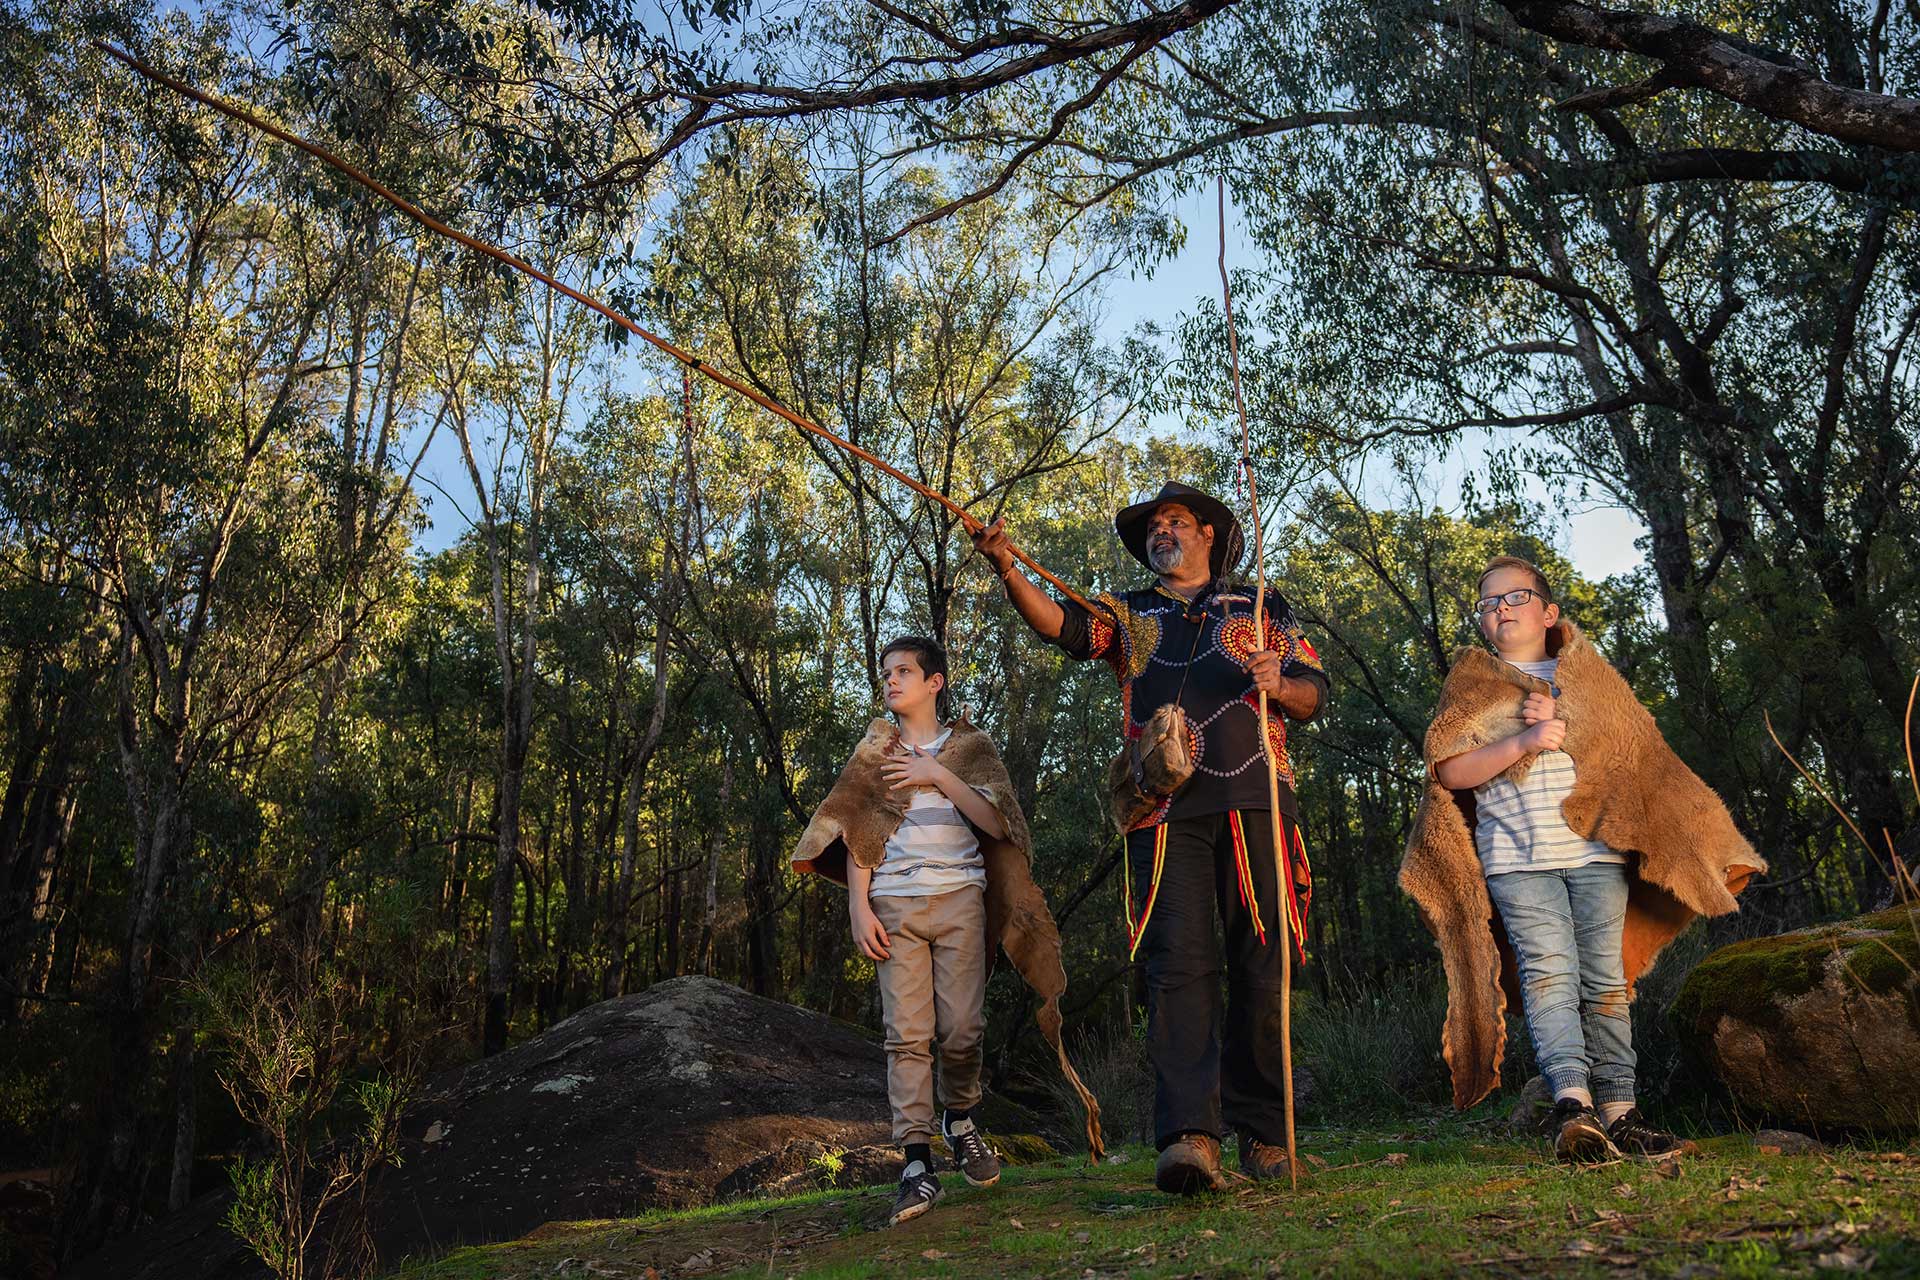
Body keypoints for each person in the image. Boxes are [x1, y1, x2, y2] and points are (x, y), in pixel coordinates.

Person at [972, 480, 1328, 1194]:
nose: (1162, 531)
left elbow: (1314, 691)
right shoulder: (1128, 613)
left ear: (1207, 535)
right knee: (1177, 969)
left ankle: (1267, 1138)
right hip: (1163, 814)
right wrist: (1008, 565)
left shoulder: (1262, 606)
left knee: (1266, 964)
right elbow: (1061, 628)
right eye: (1154, 526)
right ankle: (1191, 1137)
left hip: (1258, 800)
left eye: (1176, 521)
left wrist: (1279, 684)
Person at [1402, 556, 1764, 1162]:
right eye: (1487, 604)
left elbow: (1641, 760)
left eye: (1514, 598)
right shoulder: (1472, 683)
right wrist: (1521, 739)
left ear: (1549, 613)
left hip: (1595, 856)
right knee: (1549, 977)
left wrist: (1565, 721)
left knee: (1604, 984)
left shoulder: (1590, 679)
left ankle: (1622, 1110)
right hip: (1516, 860)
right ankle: (1573, 1105)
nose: (1499, 610)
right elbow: (1446, 770)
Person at [792, 635, 1104, 1226]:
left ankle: (959, 1118)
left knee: (962, 1030)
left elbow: (999, 822)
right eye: (886, 672)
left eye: (904, 671)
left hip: (960, 899)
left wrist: (936, 773)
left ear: (935, 682)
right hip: (893, 905)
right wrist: (859, 907)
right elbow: (856, 832)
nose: (891, 681)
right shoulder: (875, 751)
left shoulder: (970, 747)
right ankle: (915, 1164)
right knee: (906, 1035)